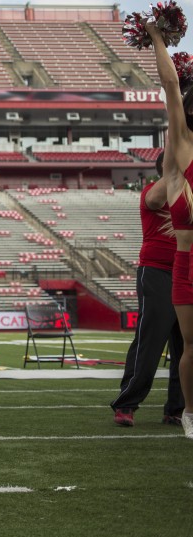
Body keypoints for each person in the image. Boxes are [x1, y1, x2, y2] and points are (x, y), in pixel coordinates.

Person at [111, 153, 185, 426]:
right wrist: (176, 168)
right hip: (157, 272)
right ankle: (126, 403)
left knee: (186, 346)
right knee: (149, 342)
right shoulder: (153, 191)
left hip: (186, 272)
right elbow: (155, 200)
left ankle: (177, 408)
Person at [147, 23, 193, 440]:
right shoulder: (182, 152)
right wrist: (157, 38)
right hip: (186, 263)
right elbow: (170, 87)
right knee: (190, 347)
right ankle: (190, 415)